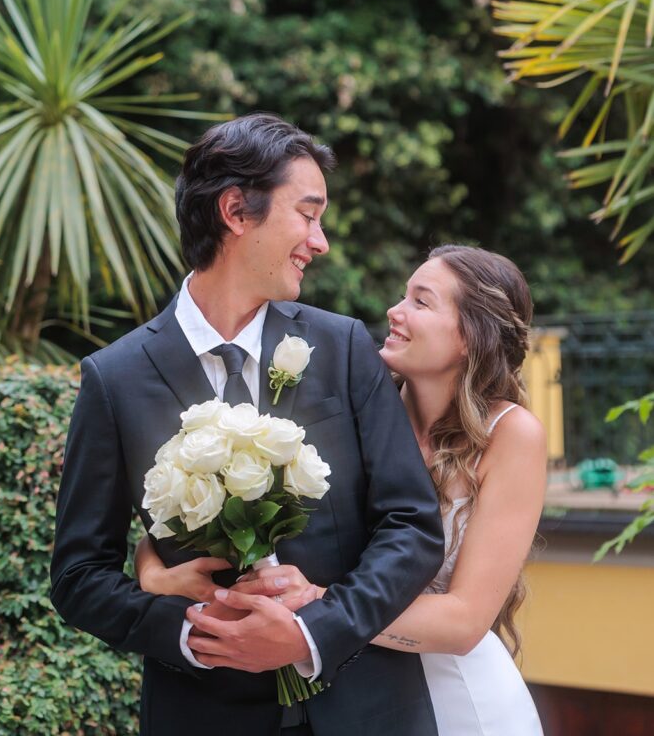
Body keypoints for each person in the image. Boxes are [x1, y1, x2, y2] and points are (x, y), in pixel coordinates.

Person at [50, 113, 444, 736]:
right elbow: (78, 576)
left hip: (366, 708)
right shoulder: (115, 377)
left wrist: (312, 632)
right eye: (308, 214)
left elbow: (413, 525)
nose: (321, 242)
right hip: (201, 713)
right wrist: (190, 632)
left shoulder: (342, 347)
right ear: (236, 211)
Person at [138, 244, 546, 735]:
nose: (394, 311)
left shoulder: (512, 434)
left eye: (421, 302)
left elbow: (462, 624)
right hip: (361, 696)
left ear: (469, 337)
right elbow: (260, 510)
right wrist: (149, 562)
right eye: (402, 296)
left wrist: (320, 607)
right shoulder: (367, 406)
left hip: (458, 699)